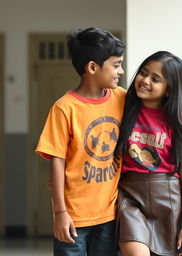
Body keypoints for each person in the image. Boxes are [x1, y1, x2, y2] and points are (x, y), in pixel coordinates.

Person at [35, 27, 126, 256]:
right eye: (116, 65)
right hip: (73, 217)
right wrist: (60, 213)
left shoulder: (122, 98)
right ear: (93, 67)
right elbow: (57, 162)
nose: (121, 71)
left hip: (109, 215)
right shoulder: (64, 108)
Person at [114, 51, 182, 256]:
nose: (144, 81)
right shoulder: (122, 108)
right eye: (143, 73)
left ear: (169, 89)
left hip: (169, 200)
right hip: (130, 195)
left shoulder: (179, 120)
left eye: (155, 79)